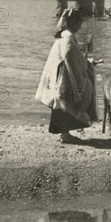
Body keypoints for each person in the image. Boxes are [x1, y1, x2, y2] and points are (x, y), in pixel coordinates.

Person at [35, 8, 98, 144]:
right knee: (65, 101)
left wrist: (83, 59)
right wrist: (85, 63)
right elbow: (69, 54)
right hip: (65, 75)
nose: (80, 27)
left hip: (61, 72)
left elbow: (72, 53)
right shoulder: (68, 36)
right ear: (74, 23)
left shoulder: (64, 34)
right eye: (79, 23)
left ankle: (65, 133)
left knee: (61, 103)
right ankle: (65, 134)